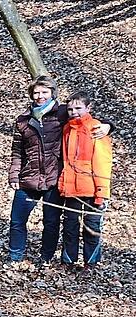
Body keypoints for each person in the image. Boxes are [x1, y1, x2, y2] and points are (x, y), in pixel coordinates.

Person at [6, 76, 109, 265]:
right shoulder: (23, 120)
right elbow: (17, 151)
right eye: (36, 92)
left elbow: (87, 119)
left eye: (44, 92)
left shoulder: (62, 113)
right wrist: (14, 174)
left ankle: (46, 257)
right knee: (17, 220)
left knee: (51, 223)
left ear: (52, 93)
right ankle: (15, 256)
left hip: (54, 179)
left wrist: (108, 125)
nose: (40, 96)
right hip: (28, 178)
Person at [58, 91, 112, 268]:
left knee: (92, 228)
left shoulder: (96, 128)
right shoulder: (67, 128)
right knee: (69, 227)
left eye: (78, 108)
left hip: (92, 189)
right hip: (71, 188)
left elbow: (102, 162)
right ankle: (68, 261)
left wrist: (101, 192)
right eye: (71, 109)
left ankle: (92, 263)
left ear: (88, 108)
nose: (74, 112)